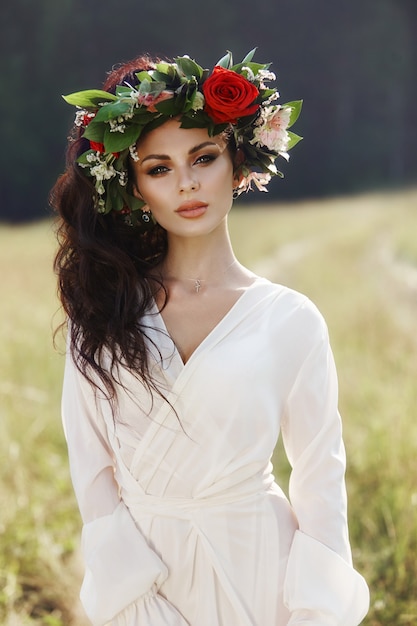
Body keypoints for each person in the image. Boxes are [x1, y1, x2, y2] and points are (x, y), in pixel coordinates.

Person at [51, 49, 370, 626]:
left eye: (203, 157)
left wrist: (314, 613)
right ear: (134, 188)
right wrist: (136, 605)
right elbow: (92, 473)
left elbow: (321, 480)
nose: (188, 183)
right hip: (144, 581)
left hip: (262, 573)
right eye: (159, 168)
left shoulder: (291, 319)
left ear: (239, 164)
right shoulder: (101, 313)